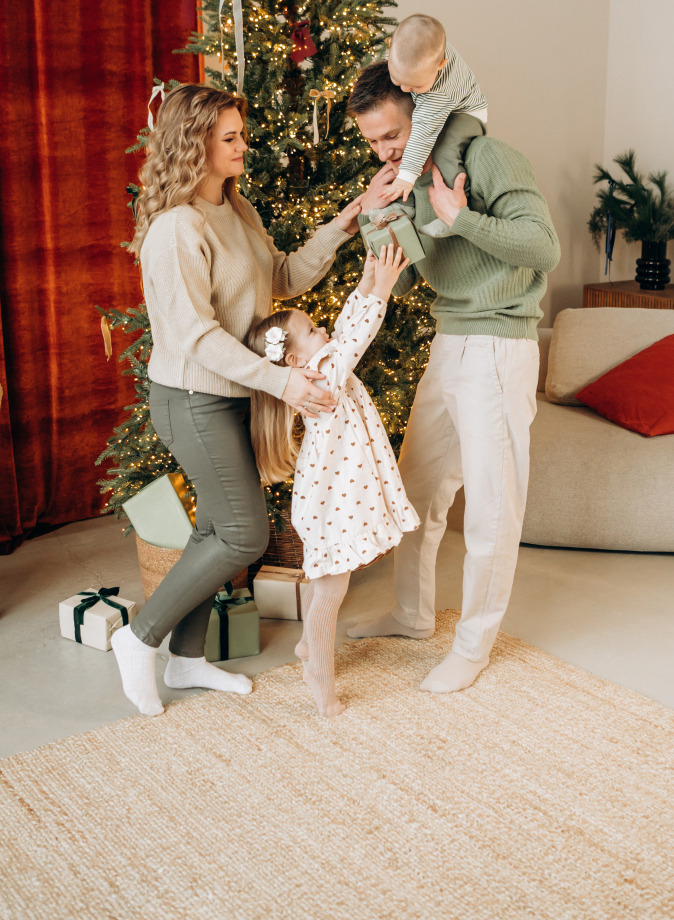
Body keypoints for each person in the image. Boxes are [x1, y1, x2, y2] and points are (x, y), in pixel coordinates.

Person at [111, 83, 363, 716]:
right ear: (195, 145)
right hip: (192, 400)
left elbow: (278, 276)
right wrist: (283, 382)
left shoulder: (235, 207)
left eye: (240, 135)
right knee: (245, 534)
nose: (244, 146)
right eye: (231, 138)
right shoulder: (176, 229)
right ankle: (138, 639)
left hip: (232, 396)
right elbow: (197, 337)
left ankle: (188, 658)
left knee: (218, 530)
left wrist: (342, 225)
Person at [345, 61, 561, 694]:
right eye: (374, 142)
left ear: (421, 110)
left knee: (493, 505)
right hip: (451, 339)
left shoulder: (492, 158)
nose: (386, 150)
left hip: (500, 343)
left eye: (391, 134)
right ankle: (412, 615)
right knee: (415, 486)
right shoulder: (407, 177)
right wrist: (375, 215)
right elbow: (404, 271)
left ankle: (473, 645)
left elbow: (543, 246)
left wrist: (460, 216)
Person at [247, 245, 419, 717]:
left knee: (331, 586)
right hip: (330, 508)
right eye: (311, 330)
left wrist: (367, 282)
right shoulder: (321, 380)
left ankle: (307, 648)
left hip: (335, 500)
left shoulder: (322, 367)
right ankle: (319, 678)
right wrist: (380, 293)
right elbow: (352, 341)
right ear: (294, 361)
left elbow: (343, 331)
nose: (322, 329)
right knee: (329, 592)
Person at [377, 14, 488, 239]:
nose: (406, 89)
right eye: (398, 80)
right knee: (401, 145)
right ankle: (405, 204)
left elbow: (422, 134)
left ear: (441, 65)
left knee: (443, 150)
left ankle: (454, 212)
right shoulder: (404, 53)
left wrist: (407, 176)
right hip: (432, 104)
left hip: (465, 112)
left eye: (416, 84)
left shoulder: (440, 92)